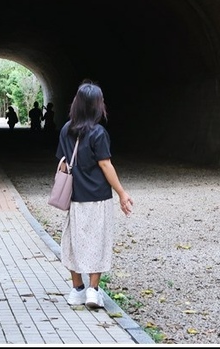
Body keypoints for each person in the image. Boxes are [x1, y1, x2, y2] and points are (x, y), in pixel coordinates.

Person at [55, 82, 133, 310]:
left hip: (74, 196)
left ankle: (77, 289)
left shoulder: (66, 129)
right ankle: (93, 290)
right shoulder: (99, 133)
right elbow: (105, 165)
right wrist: (121, 193)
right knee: (97, 241)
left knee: (72, 241)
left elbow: (62, 162)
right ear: (97, 106)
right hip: (98, 196)